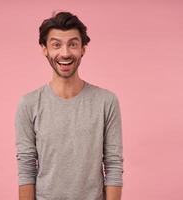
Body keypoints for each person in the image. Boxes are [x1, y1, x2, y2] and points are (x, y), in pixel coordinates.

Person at [15, 11, 124, 200]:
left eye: (72, 44)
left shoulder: (106, 101)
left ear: (83, 48)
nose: (65, 53)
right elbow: (26, 167)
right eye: (56, 44)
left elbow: (113, 164)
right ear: (44, 49)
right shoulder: (29, 104)